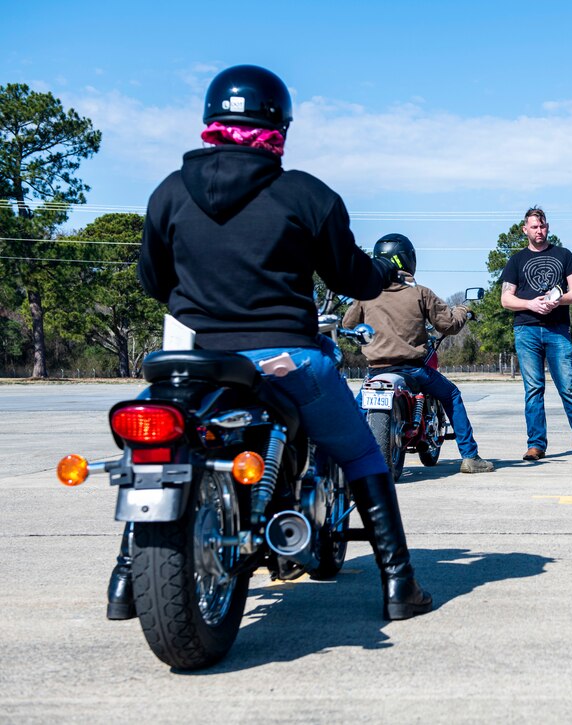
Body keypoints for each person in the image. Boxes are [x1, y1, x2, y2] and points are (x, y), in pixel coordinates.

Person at [109, 64, 432, 623]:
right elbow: (353, 278)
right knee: (359, 452)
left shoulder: (168, 193)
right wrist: (380, 269)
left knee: (155, 450)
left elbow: (152, 282)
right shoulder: (306, 195)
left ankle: (123, 582)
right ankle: (400, 584)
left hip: (197, 364)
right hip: (287, 360)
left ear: (210, 120)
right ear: (280, 123)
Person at [342, 233, 495, 474]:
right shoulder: (420, 293)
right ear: (408, 260)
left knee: (354, 413)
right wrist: (463, 310)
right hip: (412, 370)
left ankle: (346, 460)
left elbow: (348, 326)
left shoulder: (366, 294)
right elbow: (448, 326)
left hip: (376, 372)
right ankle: (470, 457)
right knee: (452, 394)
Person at [500, 207, 572, 461]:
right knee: (533, 389)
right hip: (526, 330)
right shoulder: (516, 261)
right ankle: (536, 444)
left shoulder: (564, 255)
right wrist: (531, 304)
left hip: (557, 330)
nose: (538, 231)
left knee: (568, 386)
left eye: (541, 227)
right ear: (525, 230)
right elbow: (506, 299)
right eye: (533, 227)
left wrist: (557, 301)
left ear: (548, 227)